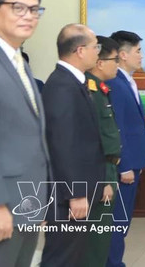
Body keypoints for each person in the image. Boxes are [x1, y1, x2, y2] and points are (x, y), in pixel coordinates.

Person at [0, 0, 49, 267]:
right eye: (18, 8)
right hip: (1, 206)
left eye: (35, 10)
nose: (29, 16)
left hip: (27, 203)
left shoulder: (18, 61)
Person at [41, 23, 106, 267]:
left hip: (81, 191)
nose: (97, 52)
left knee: (74, 255)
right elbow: (62, 144)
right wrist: (76, 193)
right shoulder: (62, 86)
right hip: (70, 195)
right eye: (94, 46)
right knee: (62, 257)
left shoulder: (74, 82)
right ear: (80, 50)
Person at [106, 30, 145, 267]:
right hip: (123, 169)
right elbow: (117, 127)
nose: (142, 56)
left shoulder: (128, 82)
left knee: (121, 222)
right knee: (116, 222)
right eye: (138, 51)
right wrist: (124, 166)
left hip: (135, 164)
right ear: (123, 55)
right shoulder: (114, 83)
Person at [81, 36, 122, 267]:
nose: (117, 64)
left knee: (101, 238)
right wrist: (105, 180)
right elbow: (93, 141)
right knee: (94, 243)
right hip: (99, 175)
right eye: (114, 59)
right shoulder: (89, 91)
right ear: (99, 62)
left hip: (108, 171)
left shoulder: (101, 89)